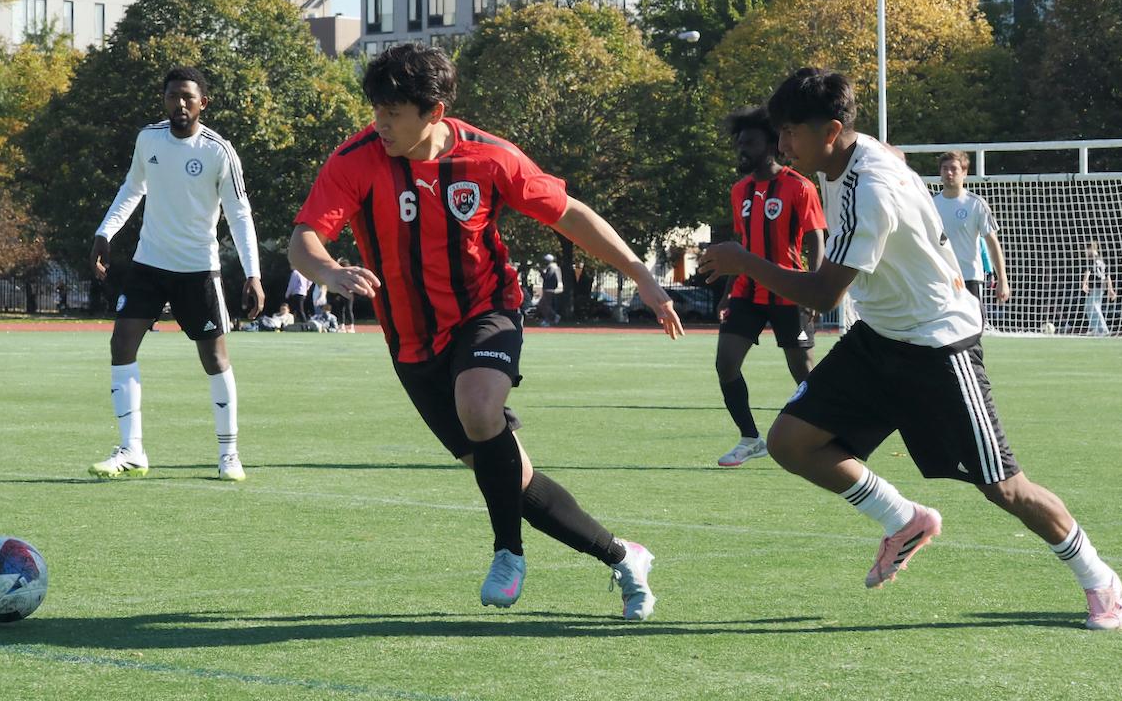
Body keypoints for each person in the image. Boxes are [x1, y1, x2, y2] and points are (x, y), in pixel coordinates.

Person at [699, 67, 1122, 631]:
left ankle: (1100, 579)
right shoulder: (844, 155)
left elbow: (825, 291)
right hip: (878, 338)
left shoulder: (870, 190)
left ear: (830, 130)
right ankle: (904, 520)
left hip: (938, 346)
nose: (781, 147)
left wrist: (741, 260)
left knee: (1004, 487)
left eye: (790, 135)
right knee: (791, 441)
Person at [288, 42, 684, 620]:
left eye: (392, 115)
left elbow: (569, 213)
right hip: (411, 344)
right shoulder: (355, 158)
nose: (380, 124)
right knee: (510, 479)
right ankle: (624, 556)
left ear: (435, 112)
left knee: (478, 405)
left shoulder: (490, 158)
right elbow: (305, 237)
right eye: (376, 111)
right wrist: (327, 270)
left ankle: (507, 552)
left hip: (486, 312)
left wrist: (640, 275)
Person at [88, 66, 264, 483]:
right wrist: (104, 232)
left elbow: (239, 215)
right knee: (122, 343)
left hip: (198, 270)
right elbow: (134, 187)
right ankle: (132, 450)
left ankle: (229, 453)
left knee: (215, 358)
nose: (179, 104)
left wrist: (253, 274)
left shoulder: (219, 151)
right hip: (149, 264)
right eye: (172, 96)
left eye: (187, 96)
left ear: (204, 102)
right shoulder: (148, 139)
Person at [713, 106, 827, 469]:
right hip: (747, 292)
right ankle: (750, 438)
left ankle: (828, 433)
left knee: (803, 372)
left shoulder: (799, 186)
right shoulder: (739, 191)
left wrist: (816, 286)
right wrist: (729, 292)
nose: (742, 150)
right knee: (726, 363)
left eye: (749, 143)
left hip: (790, 289)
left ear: (771, 144)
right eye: (740, 143)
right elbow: (741, 244)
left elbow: (816, 240)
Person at [931, 150, 1010, 311]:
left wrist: (1002, 279)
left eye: (954, 168)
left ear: (964, 173)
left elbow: (992, 243)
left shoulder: (976, 204)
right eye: (945, 168)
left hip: (969, 278)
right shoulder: (930, 204)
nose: (949, 173)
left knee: (972, 333)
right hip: (939, 278)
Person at [1081, 241, 1116, 336]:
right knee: (1090, 306)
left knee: (1094, 307)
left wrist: (1084, 283)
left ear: (1091, 249)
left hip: (1097, 286)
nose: (1085, 252)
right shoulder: (1102, 259)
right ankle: (1094, 328)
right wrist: (1110, 289)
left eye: (1086, 250)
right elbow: (1107, 276)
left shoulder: (1092, 259)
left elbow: (1088, 271)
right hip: (1101, 287)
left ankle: (1103, 329)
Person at [536, 254, 564, 326]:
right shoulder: (553, 267)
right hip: (549, 288)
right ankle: (551, 317)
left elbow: (547, 277)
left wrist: (540, 271)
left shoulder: (552, 267)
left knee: (545, 305)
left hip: (549, 289)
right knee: (543, 305)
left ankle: (550, 319)